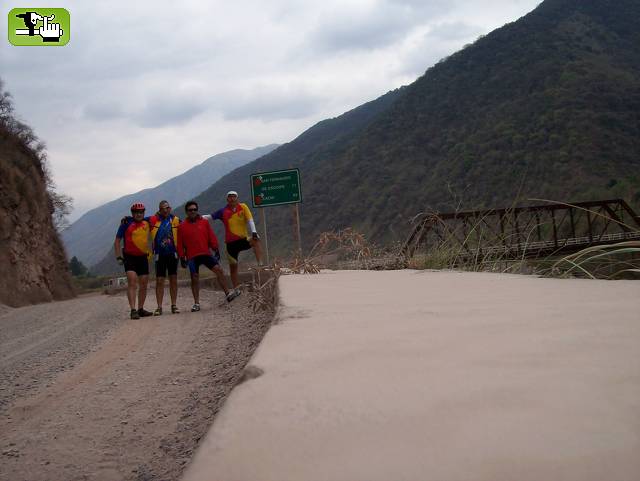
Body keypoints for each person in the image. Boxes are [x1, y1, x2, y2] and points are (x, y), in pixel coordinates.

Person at [178, 200, 239, 312]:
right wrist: (182, 257)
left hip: (205, 253)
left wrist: (215, 247)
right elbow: (180, 243)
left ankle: (227, 293)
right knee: (194, 277)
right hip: (192, 256)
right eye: (190, 210)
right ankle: (196, 303)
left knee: (218, 270)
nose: (193, 211)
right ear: (186, 212)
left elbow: (210, 235)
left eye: (195, 209)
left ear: (197, 210)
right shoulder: (181, 226)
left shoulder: (204, 222)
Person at [204, 191, 262, 295]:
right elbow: (210, 217)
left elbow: (250, 220)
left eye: (234, 196)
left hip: (243, 240)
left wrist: (254, 231)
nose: (232, 199)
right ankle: (236, 289)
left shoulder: (243, 207)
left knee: (256, 240)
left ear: (237, 198)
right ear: (227, 199)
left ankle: (260, 264)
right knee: (233, 267)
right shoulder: (223, 211)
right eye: (230, 197)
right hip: (230, 244)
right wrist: (197, 216)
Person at [114, 202, 153, 319]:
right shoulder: (126, 224)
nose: (139, 214)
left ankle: (141, 309)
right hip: (129, 257)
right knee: (132, 281)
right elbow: (117, 241)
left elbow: (160, 216)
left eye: (141, 212)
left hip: (143, 257)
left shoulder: (147, 222)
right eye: (136, 212)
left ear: (144, 213)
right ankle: (133, 310)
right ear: (133, 213)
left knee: (144, 283)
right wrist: (118, 256)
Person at [148, 200, 181, 315]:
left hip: (173, 253)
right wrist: (128, 219)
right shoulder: (153, 220)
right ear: (159, 210)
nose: (165, 210)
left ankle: (174, 305)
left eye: (167, 208)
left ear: (170, 208)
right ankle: (159, 307)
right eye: (162, 208)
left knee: (173, 279)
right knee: (159, 281)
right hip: (159, 254)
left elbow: (185, 230)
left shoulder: (176, 220)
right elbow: (140, 218)